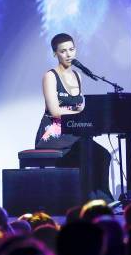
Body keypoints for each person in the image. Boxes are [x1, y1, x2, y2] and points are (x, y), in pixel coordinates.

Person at [35, 33, 113, 202]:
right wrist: (78, 112)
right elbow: (55, 111)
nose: (68, 54)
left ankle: (103, 197)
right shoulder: (50, 76)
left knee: (104, 154)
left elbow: (82, 104)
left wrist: (87, 112)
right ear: (55, 53)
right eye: (63, 51)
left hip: (74, 133)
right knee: (86, 152)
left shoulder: (78, 76)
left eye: (71, 49)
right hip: (53, 133)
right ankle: (89, 199)